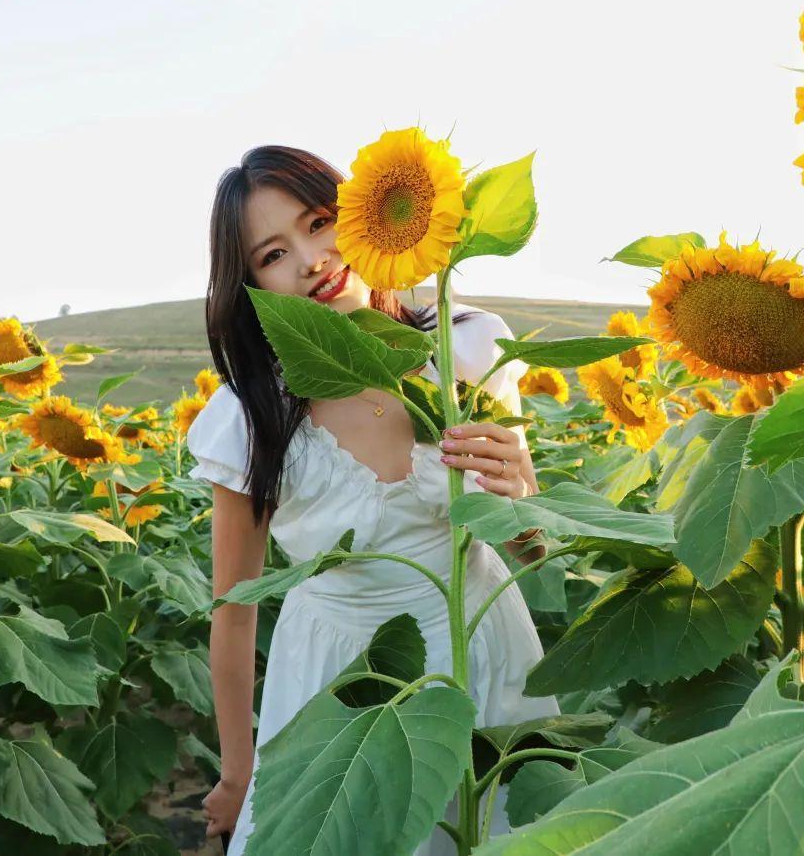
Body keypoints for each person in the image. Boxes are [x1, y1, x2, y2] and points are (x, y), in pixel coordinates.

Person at [188, 145, 557, 854]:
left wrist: (522, 497)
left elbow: (528, 552)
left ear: (362, 214)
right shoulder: (253, 415)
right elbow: (233, 613)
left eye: (319, 220)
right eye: (272, 253)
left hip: (482, 644)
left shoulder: (466, 351)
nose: (311, 258)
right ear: (251, 284)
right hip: (340, 679)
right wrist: (238, 769)